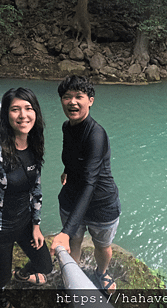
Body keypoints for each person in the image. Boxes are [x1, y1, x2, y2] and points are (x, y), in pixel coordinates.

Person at [0, 87, 53, 308]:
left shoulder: (35, 146)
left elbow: (36, 188)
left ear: (35, 113)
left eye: (28, 109)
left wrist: (36, 225)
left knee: (45, 266)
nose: (23, 115)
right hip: (0, 230)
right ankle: (1, 301)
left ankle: (22, 274)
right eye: (15, 109)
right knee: (1, 279)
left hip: (25, 223)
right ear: (6, 115)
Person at [50, 75, 121, 294]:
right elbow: (72, 155)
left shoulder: (96, 134)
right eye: (67, 97)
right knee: (76, 241)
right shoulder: (67, 127)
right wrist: (68, 171)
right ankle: (75, 276)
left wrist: (64, 232)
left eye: (78, 96)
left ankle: (101, 273)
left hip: (101, 202)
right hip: (72, 196)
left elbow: (91, 181)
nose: (72, 102)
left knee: (102, 246)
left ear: (90, 100)